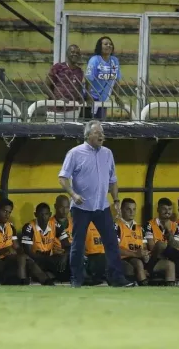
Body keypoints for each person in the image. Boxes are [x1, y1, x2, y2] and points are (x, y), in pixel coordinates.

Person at [58, 120, 133, 287]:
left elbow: (113, 180)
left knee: (112, 242)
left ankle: (116, 279)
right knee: (78, 244)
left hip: (102, 206)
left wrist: (116, 200)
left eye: (102, 132)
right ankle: (77, 279)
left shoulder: (107, 153)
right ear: (87, 135)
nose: (101, 135)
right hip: (81, 207)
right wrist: (73, 194)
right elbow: (62, 178)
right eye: (97, 132)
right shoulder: (75, 153)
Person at [144, 198, 179, 286]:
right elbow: (152, 247)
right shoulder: (149, 225)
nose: (167, 211)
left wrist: (169, 232)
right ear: (158, 209)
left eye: (170, 209)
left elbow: (175, 246)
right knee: (160, 244)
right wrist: (166, 248)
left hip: (171, 258)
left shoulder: (176, 226)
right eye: (164, 209)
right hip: (154, 260)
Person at [21, 203, 70, 285]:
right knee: (30, 263)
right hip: (36, 259)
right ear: (35, 214)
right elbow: (28, 252)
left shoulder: (55, 225)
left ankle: (82, 277)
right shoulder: (29, 227)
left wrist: (64, 256)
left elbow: (67, 245)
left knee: (70, 257)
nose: (44, 217)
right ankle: (48, 279)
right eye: (41, 214)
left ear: (50, 215)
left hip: (49, 258)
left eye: (46, 214)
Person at [115, 198, 157, 286]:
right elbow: (115, 249)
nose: (132, 212)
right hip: (123, 258)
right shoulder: (116, 226)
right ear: (121, 210)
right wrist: (135, 254)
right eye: (128, 209)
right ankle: (144, 288)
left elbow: (144, 247)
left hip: (139, 258)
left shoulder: (140, 228)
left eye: (134, 209)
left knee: (168, 264)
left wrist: (145, 255)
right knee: (137, 263)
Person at [85, 36, 123, 120]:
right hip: (92, 97)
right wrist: (88, 96)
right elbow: (88, 79)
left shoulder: (115, 61)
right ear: (100, 46)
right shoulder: (94, 60)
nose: (109, 46)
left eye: (110, 44)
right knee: (89, 123)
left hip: (104, 98)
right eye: (106, 44)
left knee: (101, 123)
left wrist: (117, 97)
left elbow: (116, 80)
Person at [44, 45, 85, 122]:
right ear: (67, 54)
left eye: (77, 53)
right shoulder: (58, 67)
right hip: (56, 109)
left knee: (70, 133)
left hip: (72, 109)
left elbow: (78, 88)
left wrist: (79, 98)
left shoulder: (80, 71)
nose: (75, 54)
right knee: (55, 133)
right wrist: (57, 100)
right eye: (72, 52)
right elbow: (45, 86)